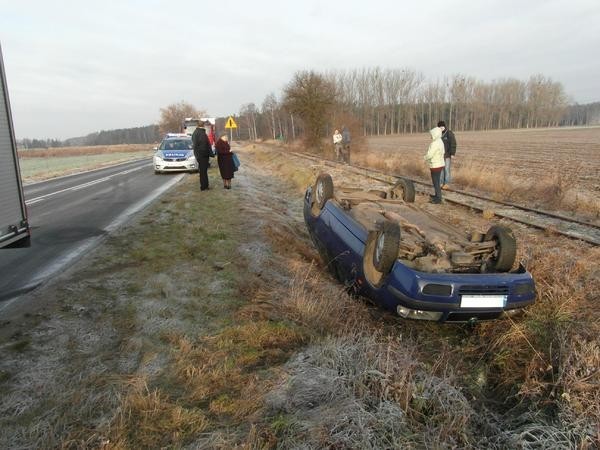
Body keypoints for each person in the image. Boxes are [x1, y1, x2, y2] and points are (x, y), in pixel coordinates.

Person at [424, 127, 445, 204]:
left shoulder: (434, 143)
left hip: (435, 165)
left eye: (432, 134)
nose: (431, 136)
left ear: (435, 134)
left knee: (435, 182)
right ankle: (437, 195)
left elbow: (430, 155)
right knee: (437, 182)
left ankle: (438, 199)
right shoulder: (440, 141)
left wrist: (425, 158)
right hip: (440, 164)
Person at [437, 120, 457, 189]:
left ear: (444, 126)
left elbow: (453, 143)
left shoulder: (449, 133)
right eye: (440, 127)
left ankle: (447, 183)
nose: (441, 128)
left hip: (447, 155)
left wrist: (452, 153)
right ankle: (441, 183)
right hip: (440, 156)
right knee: (441, 170)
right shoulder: (438, 134)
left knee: (446, 169)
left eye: (442, 127)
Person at [192, 124, 212, 191]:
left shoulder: (196, 133)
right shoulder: (201, 133)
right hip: (203, 155)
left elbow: (195, 145)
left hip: (201, 155)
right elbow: (206, 144)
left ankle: (205, 186)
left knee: (203, 171)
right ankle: (204, 186)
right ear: (202, 126)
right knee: (203, 171)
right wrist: (210, 153)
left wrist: (196, 155)